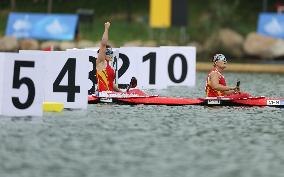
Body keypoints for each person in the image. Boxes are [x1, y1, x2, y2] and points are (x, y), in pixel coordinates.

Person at [96, 22, 121, 92]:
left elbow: (110, 83)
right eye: (108, 52)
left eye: (111, 52)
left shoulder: (108, 65)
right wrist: (106, 28)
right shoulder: (101, 62)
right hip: (102, 96)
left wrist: (121, 92)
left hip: (110, 95)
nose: (110, 54)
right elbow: (103, 44)